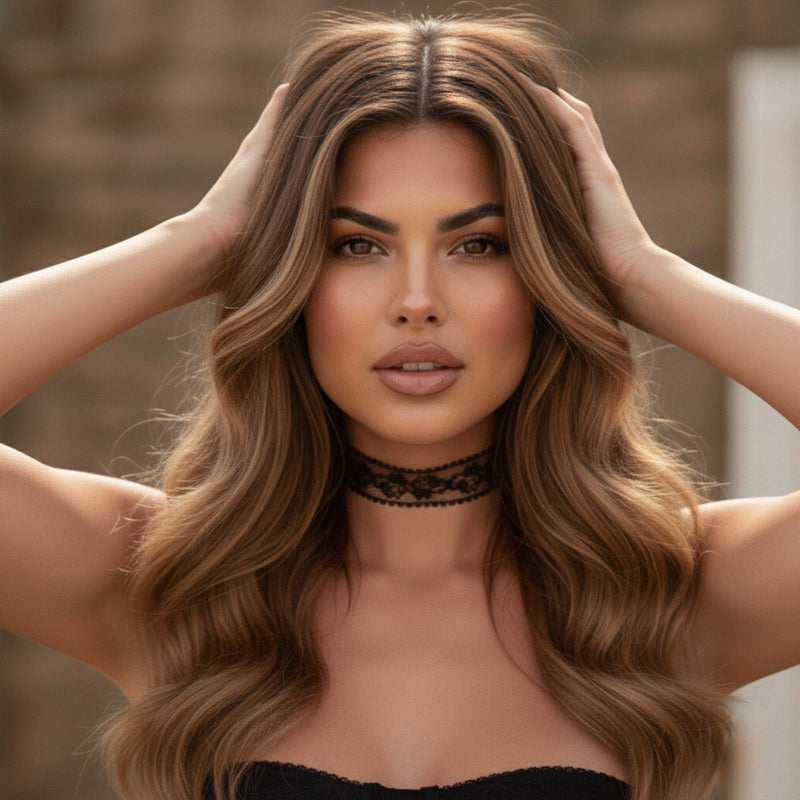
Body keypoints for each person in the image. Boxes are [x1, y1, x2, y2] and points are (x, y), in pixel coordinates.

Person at [1, 10, 798, 800]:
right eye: (357, 245)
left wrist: (642, 274)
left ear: (548, 277)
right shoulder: (170, 584)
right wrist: (199, 241)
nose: (417, 301)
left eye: (478, 244)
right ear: (296, 278)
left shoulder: (664, 595)